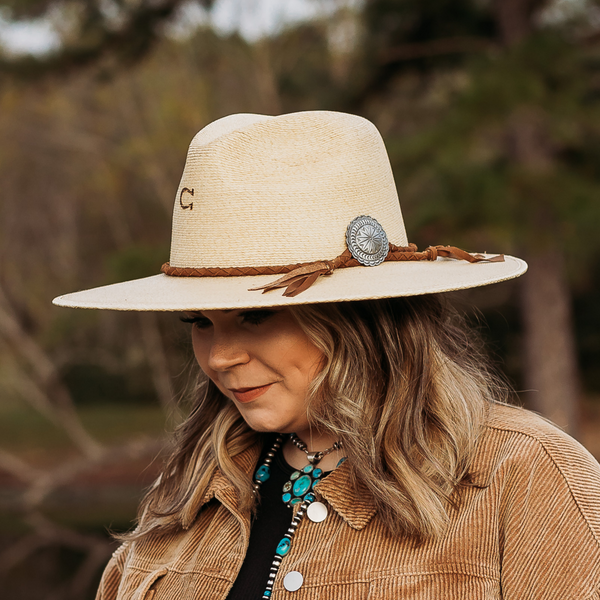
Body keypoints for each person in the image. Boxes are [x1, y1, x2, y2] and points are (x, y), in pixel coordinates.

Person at [53, 111, 600, 600]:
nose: (219, 357)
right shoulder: (188, 494)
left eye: (255, 316)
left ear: (358, 317)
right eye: (200, 322)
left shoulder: (522, 478)